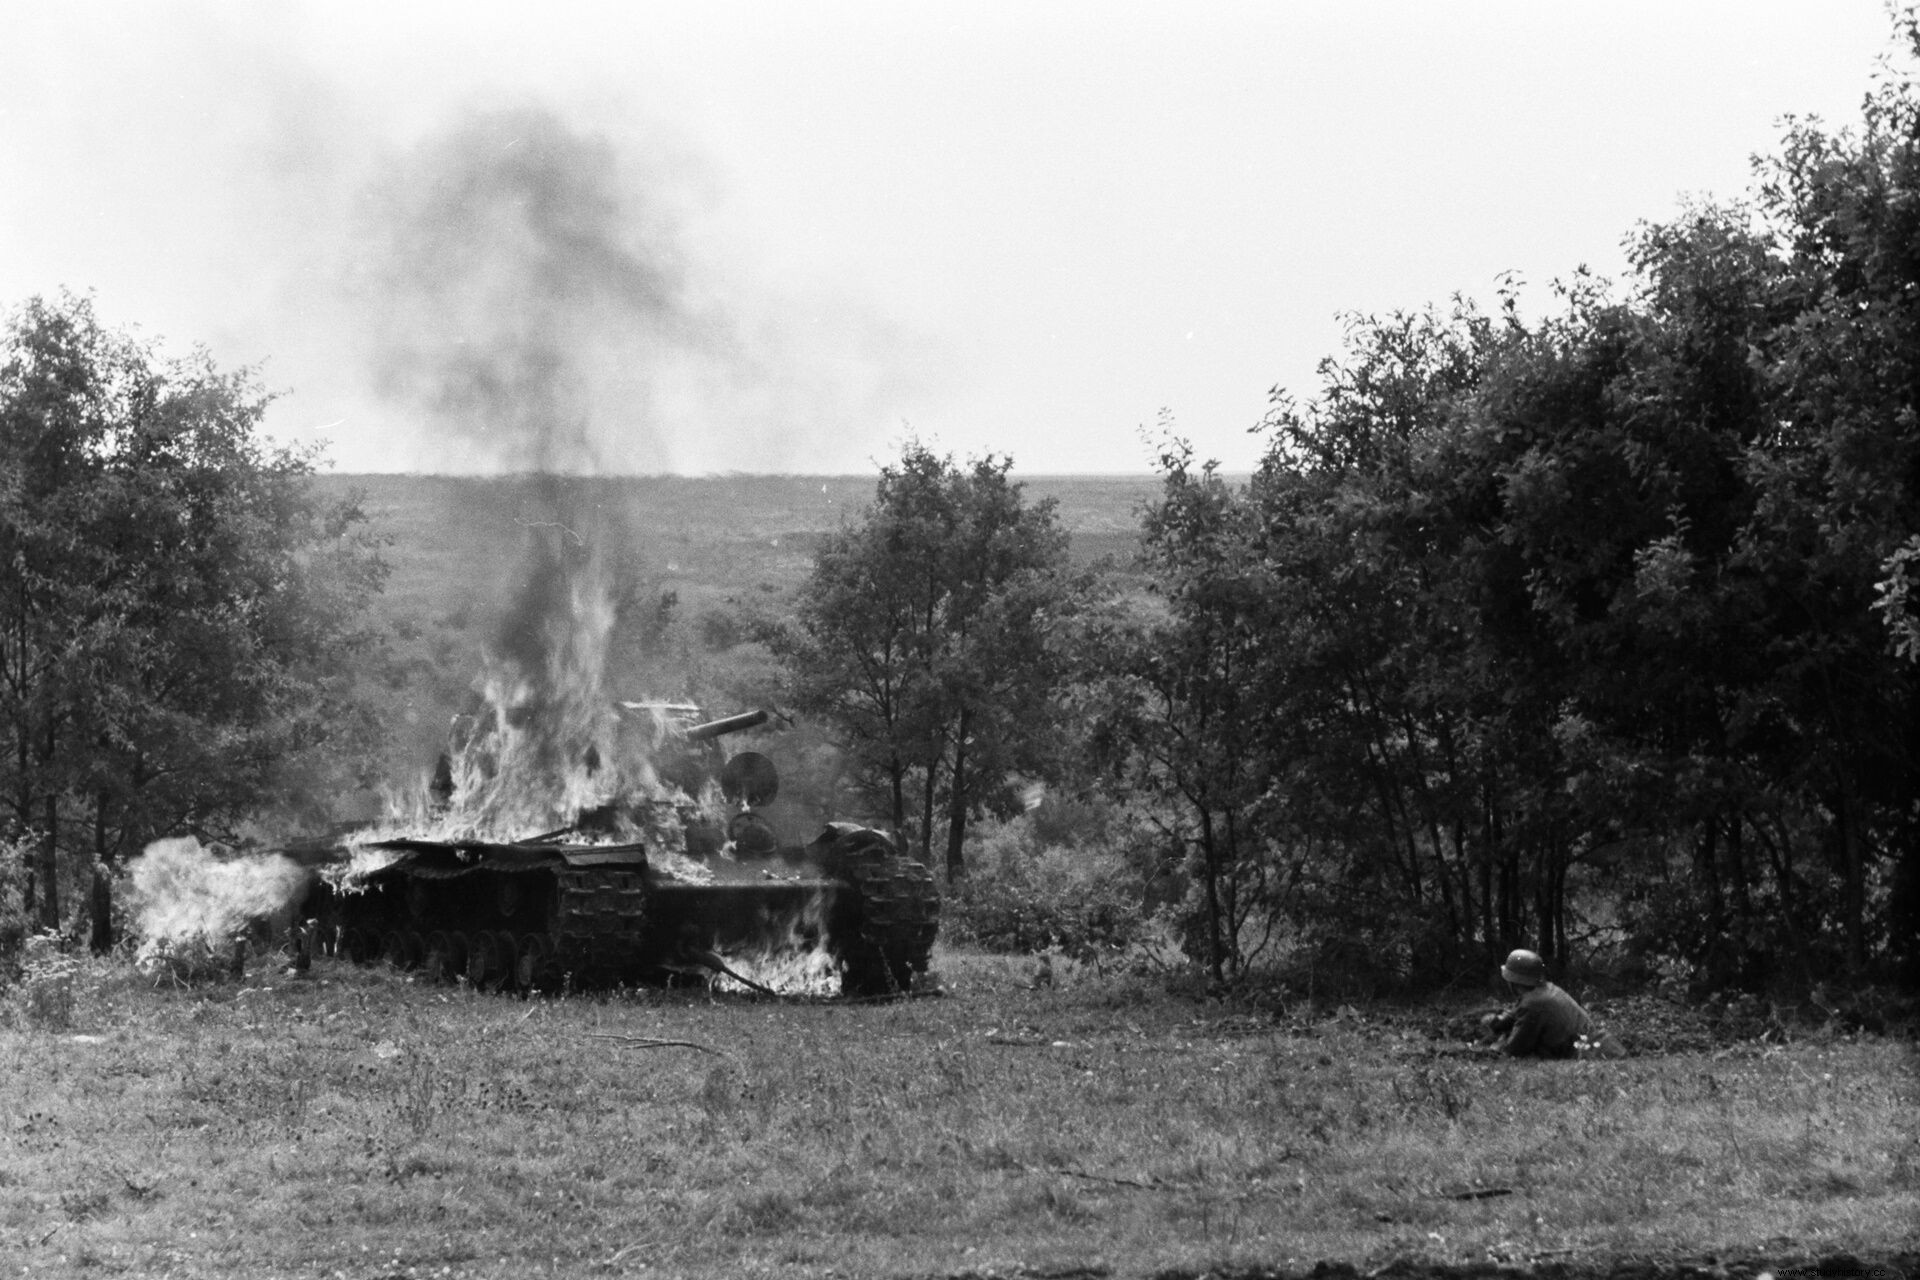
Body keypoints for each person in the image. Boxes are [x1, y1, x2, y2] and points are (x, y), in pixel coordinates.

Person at [1480, 948, 1600, 1059]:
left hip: (1588, 1054)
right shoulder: (1547, 989)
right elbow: (1517, 1012)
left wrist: (1494, 1045)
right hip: (1594, 1045)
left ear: (1513, 981)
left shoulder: (1533, 1003)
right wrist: (1499, 1023)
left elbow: (1513, 1050)